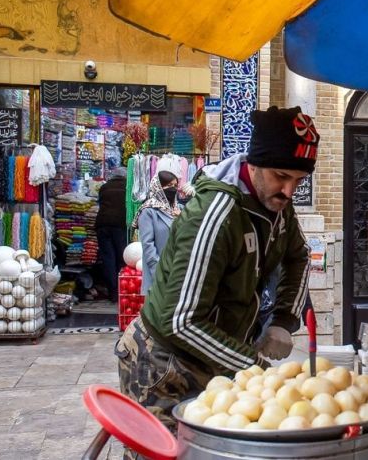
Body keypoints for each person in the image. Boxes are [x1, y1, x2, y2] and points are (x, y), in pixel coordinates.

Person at [114, 106, 318, 433]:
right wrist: (254, 367)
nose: (289, 191)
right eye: (281, 176)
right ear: (255, 163)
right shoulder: (216, 214)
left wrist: (283, 320)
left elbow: (299, 254)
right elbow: (179, 321)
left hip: (216, 358)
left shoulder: (278, 204)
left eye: (298, 180)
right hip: (165, 366)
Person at [134, 171, 181, 295]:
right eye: (169, 185)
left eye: (175, 186)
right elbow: (147, 245)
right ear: (158, 187)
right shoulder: (148, 211)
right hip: (160, 274)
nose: (173, 189)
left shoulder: (178, 210)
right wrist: (159, 272)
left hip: (179, 272)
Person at [95, 166, 128, 301]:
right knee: (121, 257)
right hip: (119, 225)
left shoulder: (104, 187)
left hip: (102, 224)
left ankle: (112, 292)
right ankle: (122, 290)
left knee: (108, 258)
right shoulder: (128, 187)